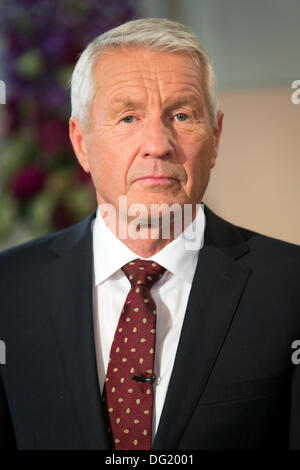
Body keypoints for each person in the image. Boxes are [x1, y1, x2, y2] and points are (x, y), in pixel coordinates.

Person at [0, 17, 300, 451]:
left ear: (215, 139)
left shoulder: (290, 287)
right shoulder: (9, 290)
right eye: (127, 117)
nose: (157, 144)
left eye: (181, 115)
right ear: (81, 143)